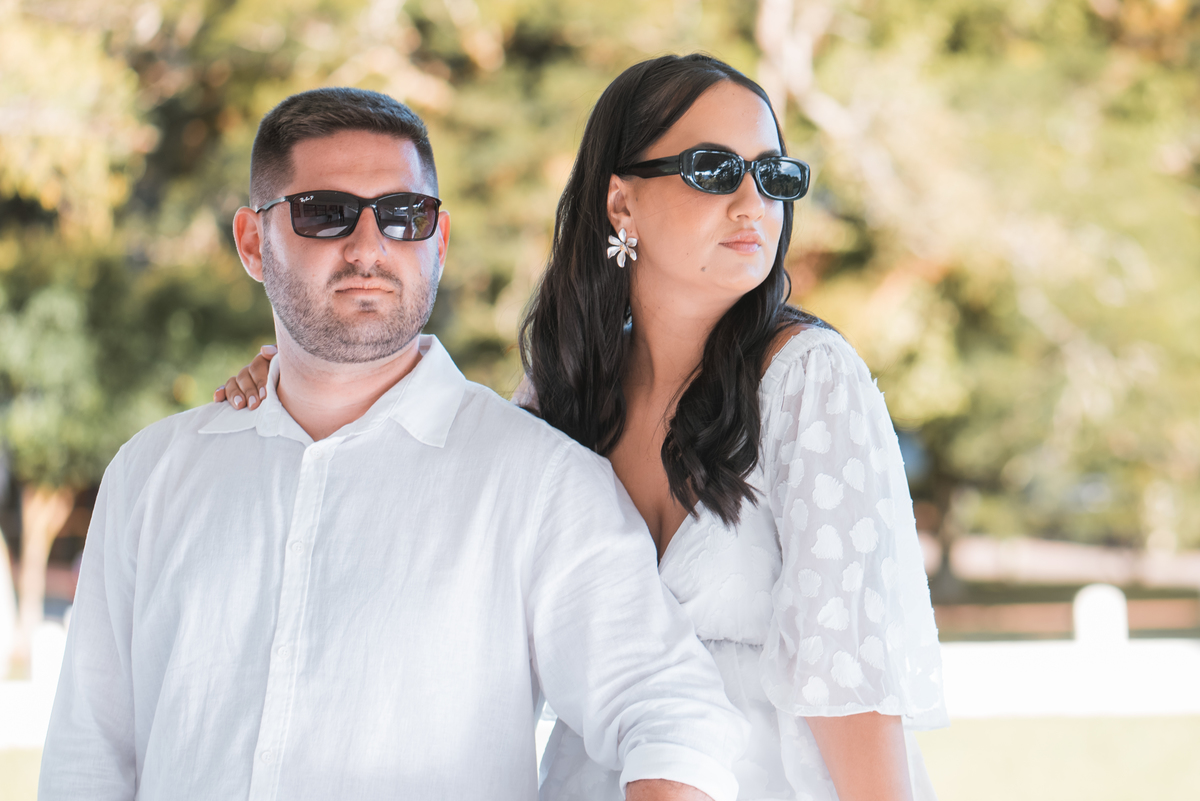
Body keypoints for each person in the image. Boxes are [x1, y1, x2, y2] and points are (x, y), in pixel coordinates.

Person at [217, 55, 948, 801]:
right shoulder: (564, 391)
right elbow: (436, 498)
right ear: (620, 203)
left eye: (773, 176)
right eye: (714, 170)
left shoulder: (809, 380)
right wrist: (297, 385)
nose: (751, 204)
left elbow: (850, 687)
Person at [39, 87, 751, 801]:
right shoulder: (152, 474)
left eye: (404, 215)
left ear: (439, 242)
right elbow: (89, 758)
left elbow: (674, 714)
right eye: (325, 212)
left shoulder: (538, 482)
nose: (368, 247)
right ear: (254, 242)